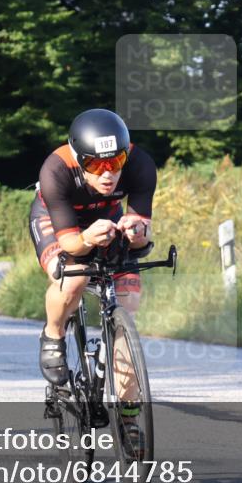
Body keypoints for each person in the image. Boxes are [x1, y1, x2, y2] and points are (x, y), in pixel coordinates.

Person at [28, 109, 156, 389]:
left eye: (116, 161)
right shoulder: (56, 170)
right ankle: (53, 333)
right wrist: (86, 239)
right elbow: (71, 244)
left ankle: (129, 417)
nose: (108, 173)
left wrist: (137, 232)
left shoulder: (140, 164)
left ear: (126, 153)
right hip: (56, 220)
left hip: (106, 217)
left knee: (129, 300)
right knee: (74, 277)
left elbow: (143, 238)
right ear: (78, 160)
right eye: (97, 166)